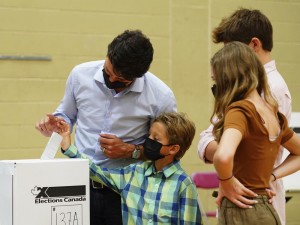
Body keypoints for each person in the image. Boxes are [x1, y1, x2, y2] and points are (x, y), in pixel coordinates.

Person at [35, 30, 177, 225]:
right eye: (107, 71)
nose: (110, 80)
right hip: (78, 184)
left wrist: (130, 151)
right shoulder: (80, 75)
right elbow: (65, 115)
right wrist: (54, 124)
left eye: (120, 81)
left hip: (126, 191)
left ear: (137, 76)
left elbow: (168, 152)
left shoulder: (161, 97)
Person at [197, 8, 292, 224]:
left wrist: (226, 177)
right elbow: (208, 139)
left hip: (247, 200)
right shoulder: (252, 99)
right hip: (251, 198)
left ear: (254, 46)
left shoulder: (252, 101)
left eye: (232, 51)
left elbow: (221, 152)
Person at [210, 41, 300, 225]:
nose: (215, 86)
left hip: (241, 209)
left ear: (228, 78)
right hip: (266, 209)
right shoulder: (272, 112)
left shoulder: (239, 110)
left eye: (215, 80)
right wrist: (270, 176)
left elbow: (223, 156)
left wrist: (226, 181)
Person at [57, 112, 203, 225]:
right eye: (149, 135)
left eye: (156, 139)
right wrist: (69, 148)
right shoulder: (133, 172)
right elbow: (97, 172)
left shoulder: (184, 185)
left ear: (173, 149)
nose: (149, 141)